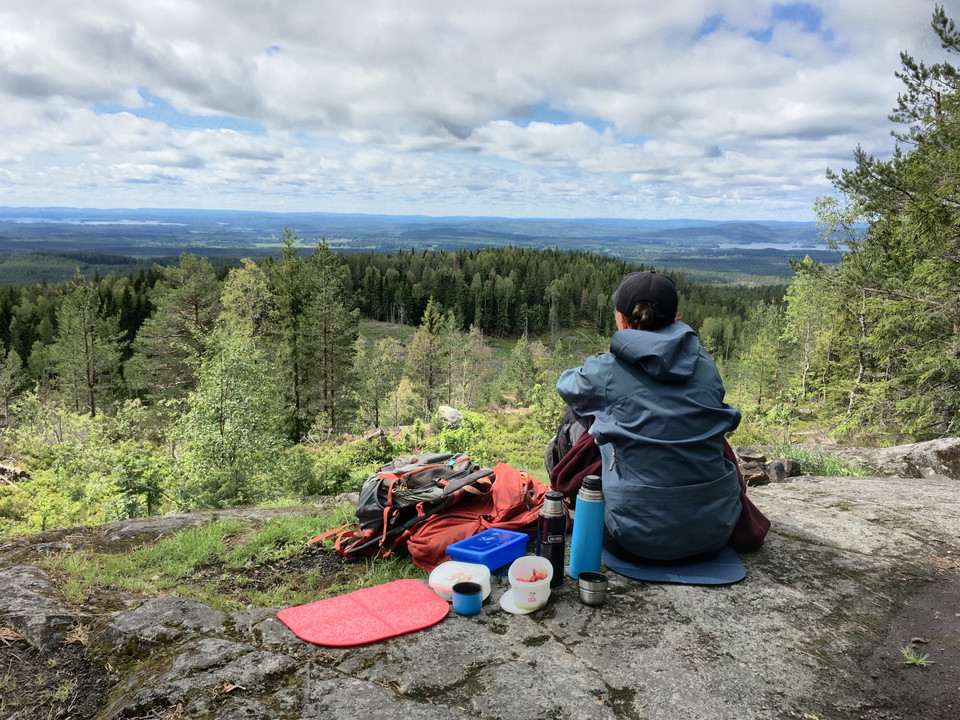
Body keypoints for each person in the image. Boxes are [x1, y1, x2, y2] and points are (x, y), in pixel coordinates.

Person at [554, 270, 746, 563]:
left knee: (576, 415)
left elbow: (565, 385)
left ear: (622, 319)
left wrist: (601, 362)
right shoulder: (705, 364)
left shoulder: (607, 369)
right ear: (674, 319)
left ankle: (572, 504)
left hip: (632, 537)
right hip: (715, 530)